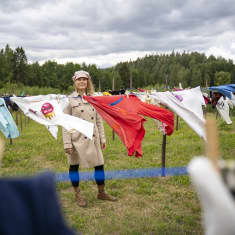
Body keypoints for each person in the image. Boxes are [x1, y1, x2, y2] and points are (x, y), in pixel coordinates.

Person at [62, 70, 117, 207]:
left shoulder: (93, 98)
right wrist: (67, 143)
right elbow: (65, 123)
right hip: (76, 140)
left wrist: (102, 138)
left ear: (87, 82)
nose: (82, 82)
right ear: (75, 82)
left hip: (93, 138)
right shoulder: (69, 100)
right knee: (74, 166)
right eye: (79, 79)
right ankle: (77, 194)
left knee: (99, 165)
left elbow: (98, 120)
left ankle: (101, 192)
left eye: (84, 79)